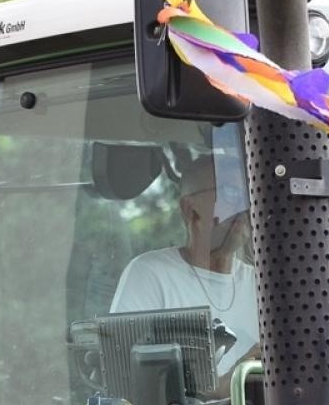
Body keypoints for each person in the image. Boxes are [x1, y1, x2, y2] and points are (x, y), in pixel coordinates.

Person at [109, 153, 259, 376]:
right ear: (190, 209)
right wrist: (224, 388)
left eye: (248, 195)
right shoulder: (150, 274)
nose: (243, 206)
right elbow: (123, 377)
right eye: (230, 193)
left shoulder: (264, 285)